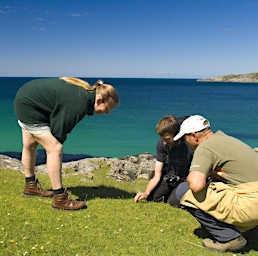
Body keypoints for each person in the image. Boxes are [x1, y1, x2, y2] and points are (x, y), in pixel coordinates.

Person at [173, 115, 258, 252]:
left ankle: (230, 238)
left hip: (250, 206)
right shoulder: (226, 139)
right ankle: (250, 232)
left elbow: (196, 185)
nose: (185, 143)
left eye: (185, 139)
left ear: (194, 136)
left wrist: (193, 174)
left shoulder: (204, 147)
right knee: (214, 182)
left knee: (183, 190)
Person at [14, 77, 119, 210]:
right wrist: (55, 143)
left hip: (25, 98)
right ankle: (60, 199)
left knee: (30, 145)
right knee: (55, 148)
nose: (107, 113)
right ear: (99, 100)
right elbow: (58, 131)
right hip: (30, 106)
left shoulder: (83, 92)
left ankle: (30, 186)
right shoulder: (79, 103)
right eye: (107, 108)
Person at [134, 115, 193, 207]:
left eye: (167, 139)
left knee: (173, 202)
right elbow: (157, 172)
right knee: (154, 198)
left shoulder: (189, 145)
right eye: (162, 139)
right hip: (169, 177)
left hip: (185, 179)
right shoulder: (162, 144)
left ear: (177, 135)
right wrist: (146, 192)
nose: (164, 142)